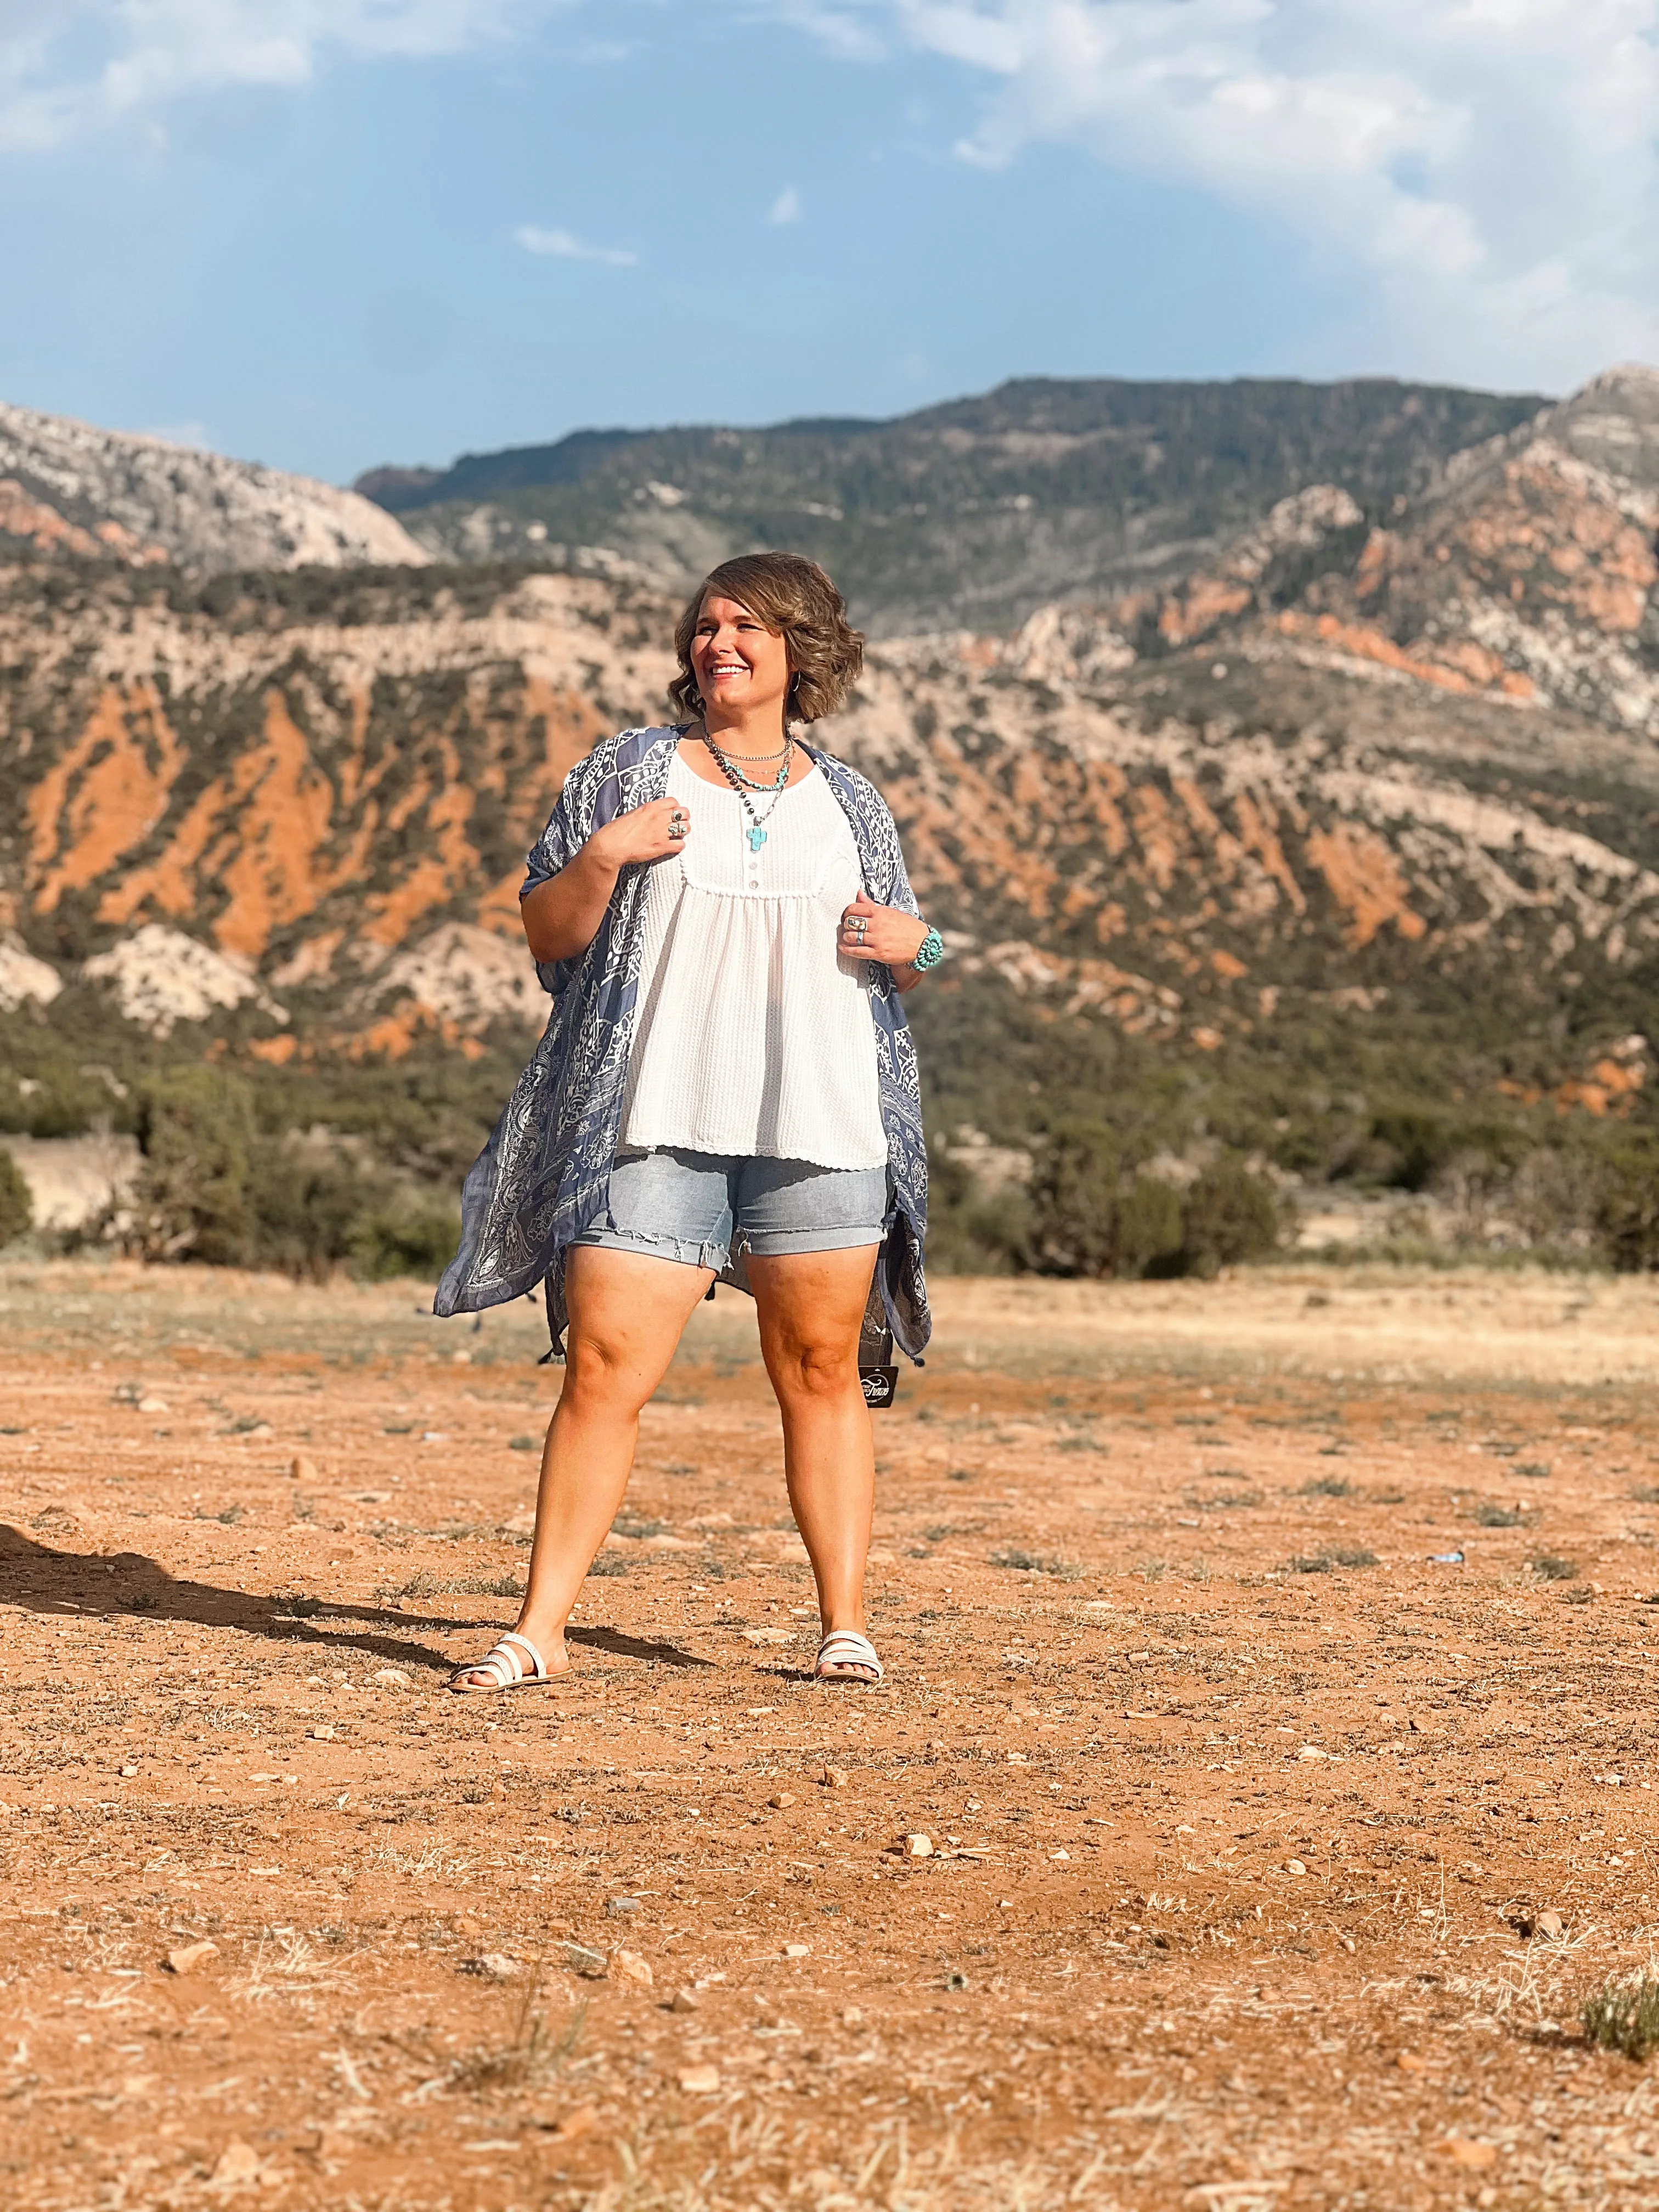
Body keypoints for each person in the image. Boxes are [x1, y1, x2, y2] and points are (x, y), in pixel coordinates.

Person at [435, 552, 944, 1689]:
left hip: (821, 1124)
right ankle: (540, 1630)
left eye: (748, 626)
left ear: (801, 651)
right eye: (707, 625)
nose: (720, 642)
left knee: (820, 1368)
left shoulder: (851, 802)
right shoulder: (626, 773)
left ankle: (844, 1626)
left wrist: (927, 950)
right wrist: (606, 855)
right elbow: (546, 934)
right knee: (606, 1367)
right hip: (651, 1114)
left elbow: (901, 949)